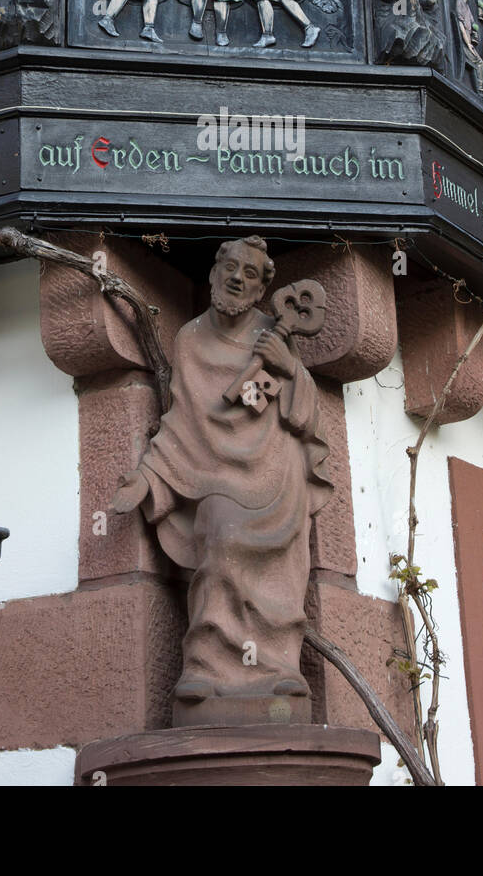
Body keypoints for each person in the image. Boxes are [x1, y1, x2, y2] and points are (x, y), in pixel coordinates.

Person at [112, 235, 332, 704]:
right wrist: (148, 477)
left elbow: (303, 418)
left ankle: (279, 670)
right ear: (213, 273)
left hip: (277, 473)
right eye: (230, 268)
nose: (237, 278)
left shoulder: (275, 335)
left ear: (260, 289)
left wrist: (288, 367)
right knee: (220, 533)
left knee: (283, 572)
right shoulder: (189, 339)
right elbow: (185, 424)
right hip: (216, 474)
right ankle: (207, 669)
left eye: (250, 274)